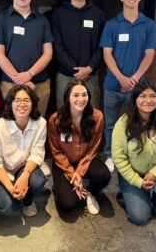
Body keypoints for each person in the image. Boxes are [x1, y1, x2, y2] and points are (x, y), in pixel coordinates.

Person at [0, 0, 53, 175]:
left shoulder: (42, 20)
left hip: (40, 83)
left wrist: (29, 75)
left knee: (37, 123)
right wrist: (20, 79)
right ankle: (11, 165)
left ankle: (36, 161)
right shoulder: (1, 19)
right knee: (13, 125)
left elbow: (48, 53)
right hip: (11, 83)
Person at [100, 0, 156, 173]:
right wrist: (121, 78)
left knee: (136, 123)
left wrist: (133, 79)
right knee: (110, 124)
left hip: (138, 88)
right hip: (112, 86)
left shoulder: (148, 25)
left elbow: (149, 55)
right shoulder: (111, 24)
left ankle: (131, 154)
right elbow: (107, 54)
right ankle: (109, 155)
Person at [112, 80, 156, 225]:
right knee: (140, 217)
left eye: (153, 96)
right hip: (133, 173)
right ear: (135, 99)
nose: (148, 100)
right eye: (143, 96)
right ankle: (130, 195)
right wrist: (138, 181)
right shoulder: (124, 123)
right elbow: (119, 158)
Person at [48, 79, 111, 215]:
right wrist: (72, 172)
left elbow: (94, 148)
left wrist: (79, 173)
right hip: (63, 162)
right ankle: (62, 187)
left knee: (104, 175)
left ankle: (90, 192)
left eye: (84, 95)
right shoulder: (55, 119)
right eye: (76, 95)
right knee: (68, 204)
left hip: (86, 159)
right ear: (67, 97)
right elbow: (56, 151)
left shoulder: (97, 116)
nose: (81, 99)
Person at [0, 85, 47, 217]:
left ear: (33, 103)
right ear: (10, 103)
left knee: (38, 181)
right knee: (9, 206)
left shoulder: (41, 123)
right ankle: (0, 195)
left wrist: (24, 177)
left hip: (22, 167)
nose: (22, 104)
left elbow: (37, 153)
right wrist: (11, 188)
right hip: (1, 171)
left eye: (26, 100)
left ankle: (28, 201)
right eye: (17, 100)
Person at [51, 0, 105, 109]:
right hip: (65, 75)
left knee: (92, 117)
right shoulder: (58, 14)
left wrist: (89, 68)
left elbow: (102, 46)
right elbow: (57, 46)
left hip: (90, 76)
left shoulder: (98, 14)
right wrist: (75, 70)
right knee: (63, 116)